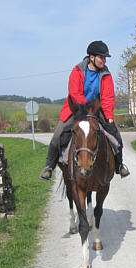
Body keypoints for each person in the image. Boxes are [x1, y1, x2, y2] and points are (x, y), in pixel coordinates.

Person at [39, 40, 130, 180]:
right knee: (57, 135)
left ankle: (120, 165)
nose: (104, 61)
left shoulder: (106, 74)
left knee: (115, 136)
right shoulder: (77, 70)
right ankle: (49, 166)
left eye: (105, 58)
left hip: (97, 110)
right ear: (92, 57)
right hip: (76, 109)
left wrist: (109, 116)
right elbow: (74, 93)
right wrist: (85, 107)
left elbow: (108, 97)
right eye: (101, 57)